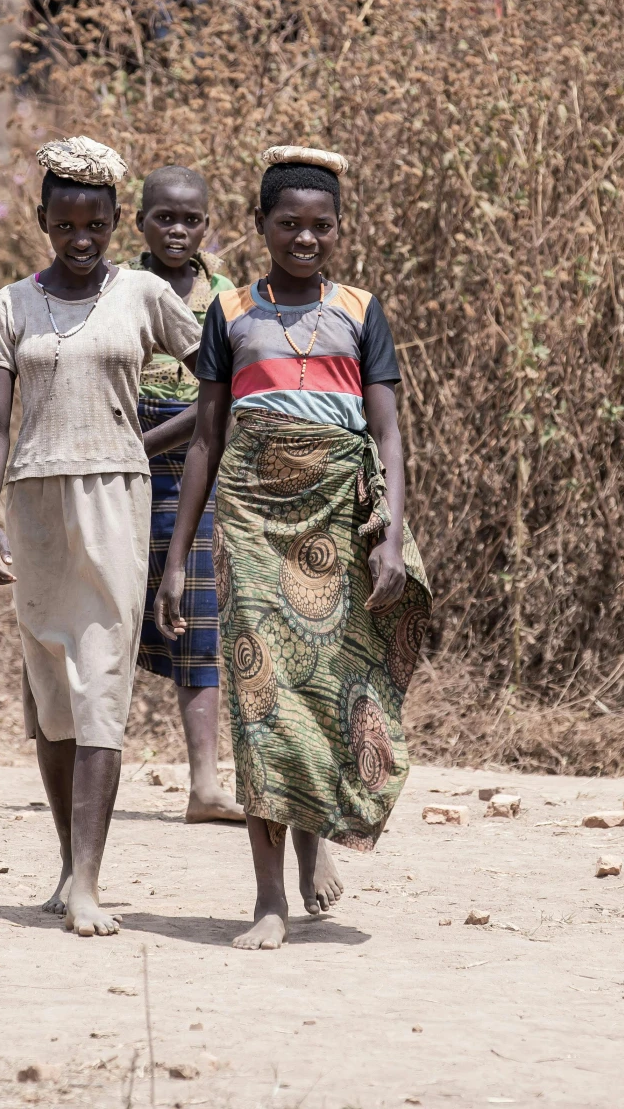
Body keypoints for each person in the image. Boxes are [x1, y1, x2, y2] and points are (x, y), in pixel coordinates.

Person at [158, 146, 430, 951]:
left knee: (321, 689)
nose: (304, 239)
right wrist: (178, 557)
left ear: (339, 228)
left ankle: (314, 849)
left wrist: (389, 537)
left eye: (320, 226)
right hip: (248, 521)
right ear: (261, 227)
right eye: (288, 225)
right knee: (259, 698)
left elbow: (386, 433)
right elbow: (206, 440)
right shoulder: (231, 311)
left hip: (334, 520)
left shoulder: (360, 308)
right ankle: (269, 894)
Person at [0, 137, 204, 936]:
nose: (80, 238)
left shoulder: (142, 293)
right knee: (51, 686)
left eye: (95, 225)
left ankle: (90, 885)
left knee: (102, 674)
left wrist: (152, 442)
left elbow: (221, 381)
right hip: (34, 499)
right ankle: (68, 860)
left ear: (114, 224)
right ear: (41, 219)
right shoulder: (11, 305)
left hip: (116, 493)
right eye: (65, 222)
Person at [125, 166, 241, 824]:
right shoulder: (119, 288)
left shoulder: (225, 296)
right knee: (106, 616)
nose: (177, 228)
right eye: (163, 216)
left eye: (190, 218)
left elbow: (216, 405)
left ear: (208, 225)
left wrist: (142, 445)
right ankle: (92, 772)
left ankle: (204, 782)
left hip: (192, 460)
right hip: (117, 453)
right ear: (139, 222)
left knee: (197, 623)